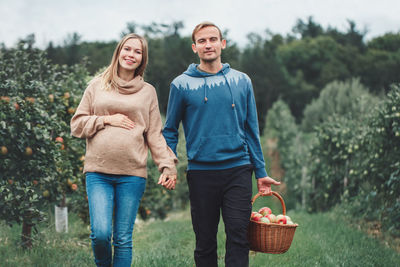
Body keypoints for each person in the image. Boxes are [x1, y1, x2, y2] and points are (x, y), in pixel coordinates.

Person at [162, 22, 281, 267]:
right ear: (194, 47)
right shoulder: (181, 85)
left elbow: (251, 129)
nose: (208, 45)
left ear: (222, 44)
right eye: (202, 41)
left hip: (238, 169)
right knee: (205, 241)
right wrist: (167, 165)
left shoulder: (242, 81)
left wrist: (261, 172)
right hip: (201, 172)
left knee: (238, 237)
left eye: (213, 39)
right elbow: (170, 130)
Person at [70, 33, 177, 267]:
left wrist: (167, 165)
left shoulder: (147, 91)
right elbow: (77, 125)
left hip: (132, 174)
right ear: (118, 52)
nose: (131, 55)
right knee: (100, 234)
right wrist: (107, 120)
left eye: (137, 52)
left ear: (142, 59)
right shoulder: (97, 85)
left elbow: (154, 134)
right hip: (98, 172)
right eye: (127, 49)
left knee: (122, 239)